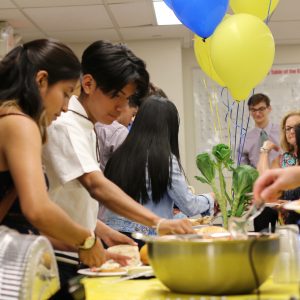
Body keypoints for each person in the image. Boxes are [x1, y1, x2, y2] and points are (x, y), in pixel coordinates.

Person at [42, 40, 193, 278]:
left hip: (77, 248)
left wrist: (100, 230)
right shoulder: (67, 124)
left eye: (128, 99)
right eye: (117, 96)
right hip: (59, 255)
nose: (122, 107)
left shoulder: (86, 126)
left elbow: (70, 197)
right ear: (89, 84)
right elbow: (94, 185)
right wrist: (158, 222)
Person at [0, 39, 126, 275]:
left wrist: (90, 245)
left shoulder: (8, 120)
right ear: (41, 80)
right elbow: (37, 210)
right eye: (66, 94)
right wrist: (85, 241)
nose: (67, 107)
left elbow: (21, 224)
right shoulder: (20, 124)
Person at [103, 95, 215, 247]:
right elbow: (189, 205)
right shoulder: (165, 160)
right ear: (170, 128)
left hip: (109, 236)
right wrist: (211, 198)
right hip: (143, 240)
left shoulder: (119, 154)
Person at [239, 93, 280, 232]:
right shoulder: (244, 139)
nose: (257, 113)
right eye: (253, 109)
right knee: (261, 237)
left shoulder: (282, 132)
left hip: (282, 193)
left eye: (261, 109)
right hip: (260, 196)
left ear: (269, 109)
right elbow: (243, 172)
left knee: (284, 234)